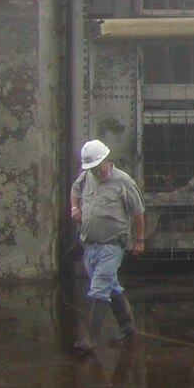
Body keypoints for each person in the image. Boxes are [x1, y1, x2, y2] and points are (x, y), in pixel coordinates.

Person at [70, 139, 146, 354]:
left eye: (98, 167)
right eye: (92, 169)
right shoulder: (86, 177)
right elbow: (74, 191)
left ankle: (91, 339)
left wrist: (139, 240)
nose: (96, 172)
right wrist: (74, 209)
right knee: (110, 286)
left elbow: (138, 212)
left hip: (112, 244)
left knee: (99, 289)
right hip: (90, 245)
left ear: (107, 160)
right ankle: (129, 329)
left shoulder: (124, 182)